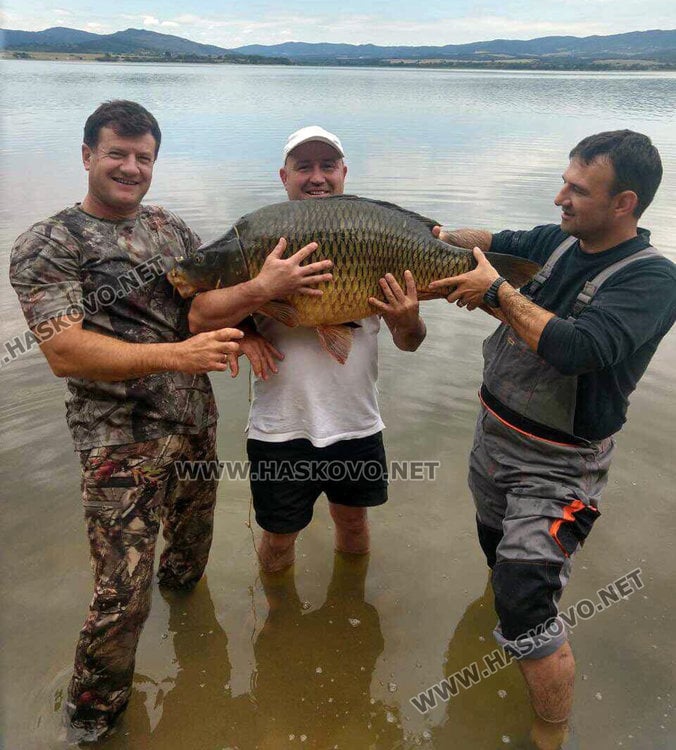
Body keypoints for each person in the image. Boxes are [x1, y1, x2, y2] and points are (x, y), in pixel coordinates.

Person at [8, 101, 331, 742]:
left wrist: (247, 323)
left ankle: (193, 644)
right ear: (86, 156)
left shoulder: (172, 231)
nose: (131, 168)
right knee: (119, 594)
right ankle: (95, 721)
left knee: (189, 560)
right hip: (117, 446)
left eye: (143, 157)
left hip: (193, 428)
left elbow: (205, 300)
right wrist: (177, 356)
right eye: (117, 154)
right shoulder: (48, 243)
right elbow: (63, 350)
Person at [428, 130, 676, 727]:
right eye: (564, 181)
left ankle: (548, 734)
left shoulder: (653, 280)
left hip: (559, 467)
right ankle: (496, 663)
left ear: (625, 203)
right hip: (492, 444)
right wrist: (421, 237)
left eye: (578, 190)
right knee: (498, 562)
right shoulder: (556, 243)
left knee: (525, 602)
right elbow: (488, 241)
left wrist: (496, 292)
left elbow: (578, 347)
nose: (560, 198)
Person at [189, 125, 427, 572]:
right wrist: (253, 315)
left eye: (327, 166)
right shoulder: (264, 238)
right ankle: (281, 630)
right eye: (304, 167)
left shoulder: (370, 232)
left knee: (354, 526)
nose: (317, 177)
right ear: (284, 177)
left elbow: (411, 343)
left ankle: (348, 608)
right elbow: (199, 316)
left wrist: (408, 320)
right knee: (278, 540)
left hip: (356, 425)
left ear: (343, 173)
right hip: (280, 431)